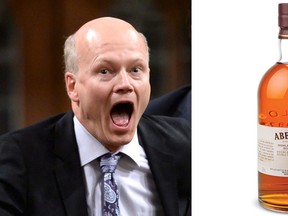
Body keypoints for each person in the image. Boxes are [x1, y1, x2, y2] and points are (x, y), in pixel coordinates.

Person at [0, 17, 191, 216]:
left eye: (136, 70)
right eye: (105, 71)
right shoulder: (19, 159)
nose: (125, 84)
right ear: (72, 86)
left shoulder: (184, 144)